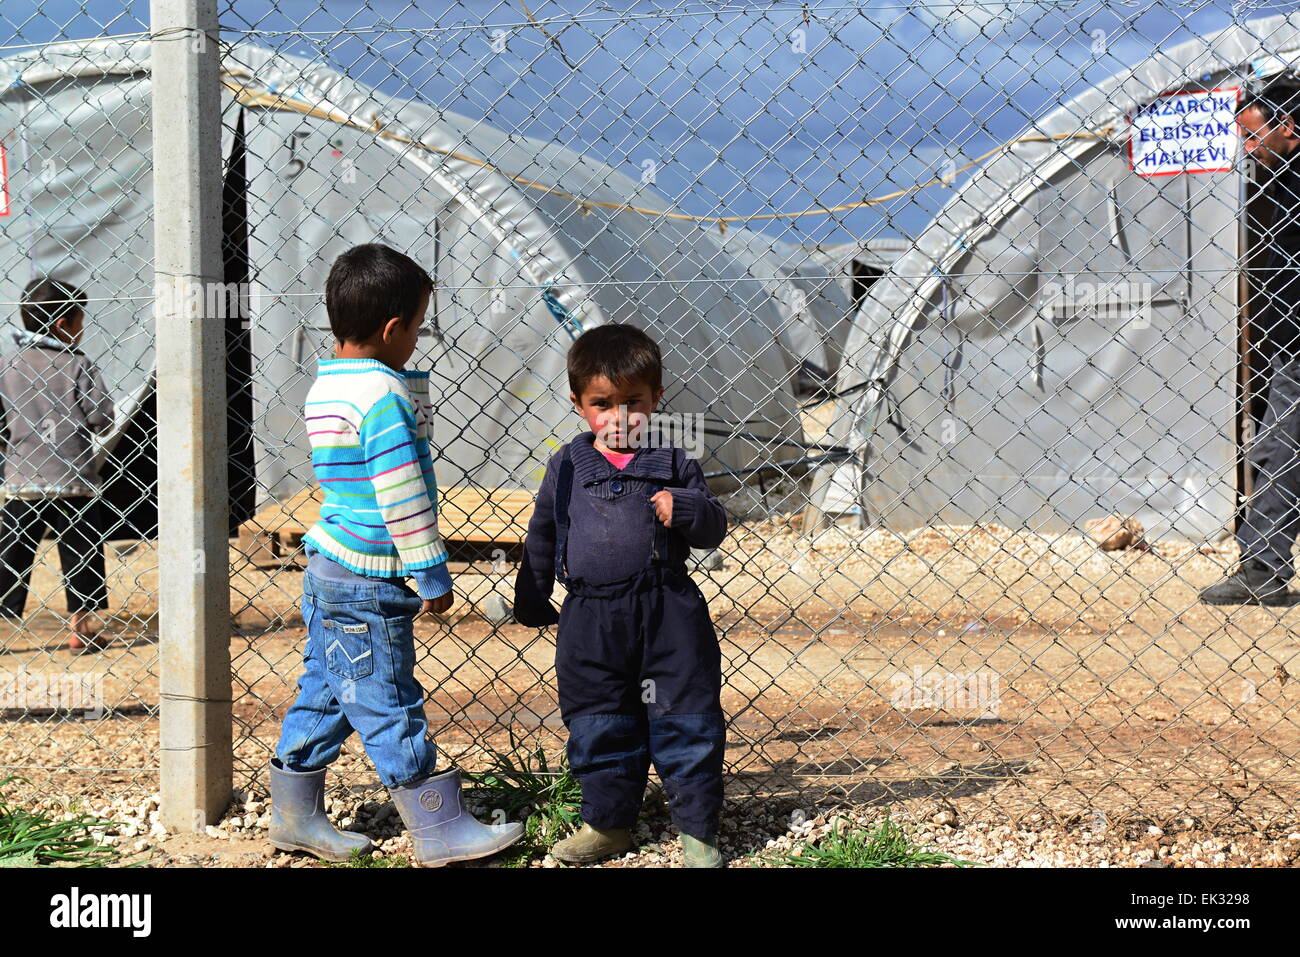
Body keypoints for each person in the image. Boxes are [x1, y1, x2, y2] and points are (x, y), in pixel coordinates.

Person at [270, 243, 523, 866]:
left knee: (329, 686)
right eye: (415, 326)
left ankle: (294, 815)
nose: (416, 339)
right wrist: (430, 571)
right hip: (368, 575)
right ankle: (438, 827)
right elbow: (402, 493)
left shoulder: (329, 384)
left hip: (328, 566)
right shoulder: (383, 396)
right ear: (392, 329)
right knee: (388, 697)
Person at [513, 323, 730, 867]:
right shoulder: (566, 465)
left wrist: (685, 508)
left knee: (686, 714)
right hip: (590, 617)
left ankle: (698, 834)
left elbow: (712, 527)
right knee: (598, 716)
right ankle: (607, 824)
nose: (620, 417)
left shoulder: (675, 463)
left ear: (656, 398)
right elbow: (543, 531)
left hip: (667, 612)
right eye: (603, 404)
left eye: (634, 402)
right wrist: (534, 594)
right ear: (579, 404)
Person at [1203, 74, 1300, 605]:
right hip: (1288, 343)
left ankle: (1263, 569)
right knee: (1278, 448)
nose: (1245, 147)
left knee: (1279, 450)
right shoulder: (1276, 182)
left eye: (1251, 135)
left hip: (1296, 348)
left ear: (1289, 127)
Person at [0, 278, 114, 651]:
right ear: (62, 324)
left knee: (10, 557)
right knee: (82, 552)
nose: (82, 331)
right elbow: (102, 418)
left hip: (21, 482)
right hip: (73, 480)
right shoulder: (78, 365)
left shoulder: (7, 365)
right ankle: (81, 628)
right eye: (80, 321)